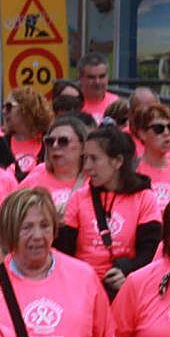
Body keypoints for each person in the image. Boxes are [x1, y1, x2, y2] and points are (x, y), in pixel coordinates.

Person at [0, 187, 114, 337]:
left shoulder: (84, 275)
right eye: (27, 227)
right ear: (9, 233)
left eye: (45, 225)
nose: (38, 235)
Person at [65, 123, 160, 296]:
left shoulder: (144, 198)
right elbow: (64, 252)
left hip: (124, 287)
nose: (86, 167)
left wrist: (129, 271)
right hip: (82, 289)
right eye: (85, 158)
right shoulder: (78, 198)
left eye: (94, 159)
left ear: (117, 161)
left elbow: (150, 252)